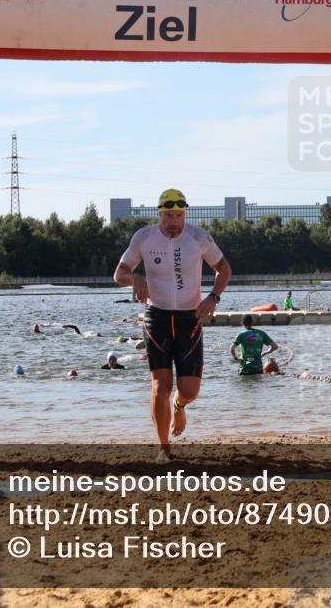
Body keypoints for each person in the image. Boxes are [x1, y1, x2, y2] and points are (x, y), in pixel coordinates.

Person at [113, 188, 232, 463]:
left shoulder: (198, 237)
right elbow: (118, 273)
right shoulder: (144, 237)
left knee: (189, 390)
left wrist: (214, 297)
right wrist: (136, 278)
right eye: (169, 216)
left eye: (179, 215)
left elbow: (224, 269)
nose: (174, 221)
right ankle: (163, 448)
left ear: (185, 214)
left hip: (190, 317)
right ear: (160, 215)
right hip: (157, 318)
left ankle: (179, 406)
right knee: (160, 386)